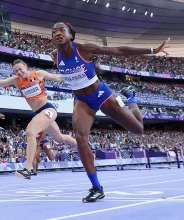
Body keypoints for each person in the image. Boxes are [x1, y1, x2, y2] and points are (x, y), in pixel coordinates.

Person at [50, 22, 170, 202]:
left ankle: (131, 99)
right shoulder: (55, 56)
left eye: (62, 30)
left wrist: (153, 50)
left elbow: (119, 50)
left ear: (70, 35)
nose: (58, 33)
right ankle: (96, 187)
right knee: (81, 138)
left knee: (138, 129)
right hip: (81, 101)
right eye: (54, 31)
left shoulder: (84, 49)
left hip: (101, 94)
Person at [0, 60, 78, 180]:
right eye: (16, 71)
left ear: (26, 66)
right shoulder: (16, 80)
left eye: (20, 69)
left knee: (30, 131)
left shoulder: (38, 74)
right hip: (39, 113)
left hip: (48, 109)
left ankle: (27, 168)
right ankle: (82, 144)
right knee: (60, 138)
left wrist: (71, 76)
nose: (19, 72)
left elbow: (56, 77)